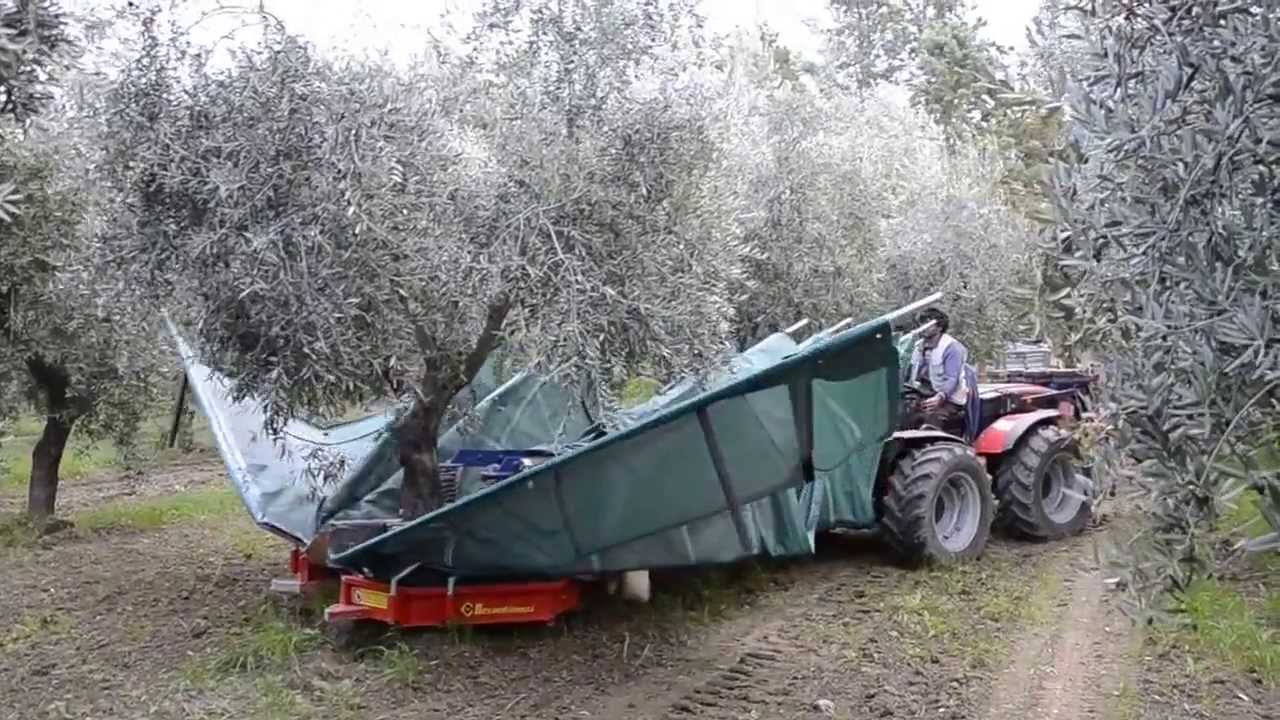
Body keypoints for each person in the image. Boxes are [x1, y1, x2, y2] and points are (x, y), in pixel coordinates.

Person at [906, 307, 970, 434]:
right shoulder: (918, 346)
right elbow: (911, 371)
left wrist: (940, 397)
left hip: (949, 399)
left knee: (931, 421)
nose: (923, 327)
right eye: (921, 323)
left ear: (939, 327)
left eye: (928, 324)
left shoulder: (952, 348)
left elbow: (952, 378)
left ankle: (927, 446)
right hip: (924, 393)